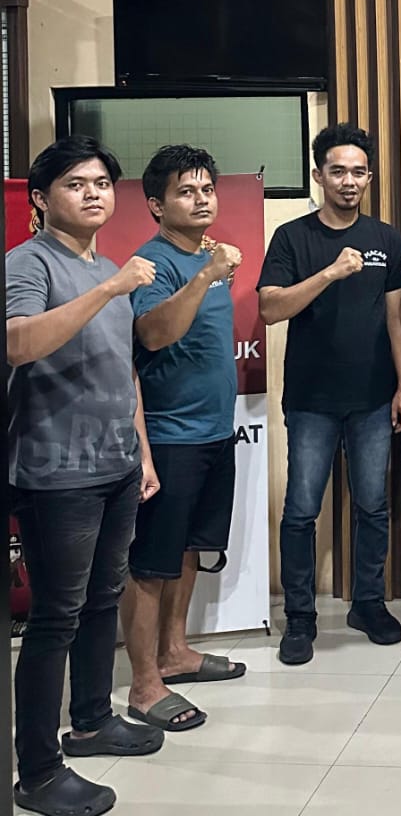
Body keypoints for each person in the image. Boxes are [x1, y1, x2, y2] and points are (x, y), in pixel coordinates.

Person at [7, 136, 165, 816]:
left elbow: (122, 369)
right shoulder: (29, 262)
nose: (94, 193)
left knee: (103, 600)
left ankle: (94, 721)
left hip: (116, 464)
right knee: (56, 618)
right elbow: (18, 343)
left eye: (102, 182)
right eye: (76, 184)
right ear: (42, 199)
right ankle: (38, 771)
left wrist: (142, 452)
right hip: (55, 472)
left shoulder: (107, 267)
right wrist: (110, 288)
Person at [258, 123, 401, 666]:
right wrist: (329, 273)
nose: (349, 181)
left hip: (373, 396)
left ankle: (367, 603)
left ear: (369, 177)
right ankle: (300, 616)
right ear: (318, 175)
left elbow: (396, 317)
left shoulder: (385, 238)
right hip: (311, 399)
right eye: (338, 171)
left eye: (359, 172)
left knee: (373, 505)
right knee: (301, 510)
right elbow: (270, 308)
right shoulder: (292, 238)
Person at [121, 145, 245, 734]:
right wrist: (207, 275)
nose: (201, 200)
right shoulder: (153, 262)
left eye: (207, 189)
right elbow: (153, 333)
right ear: (156, 205)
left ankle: (175, 652)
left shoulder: (207, 256)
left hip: (215, 432)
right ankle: (145, 685)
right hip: (170, 436)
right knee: (151, 564)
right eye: (186, 191)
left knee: (191, 548)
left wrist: (210, 267)